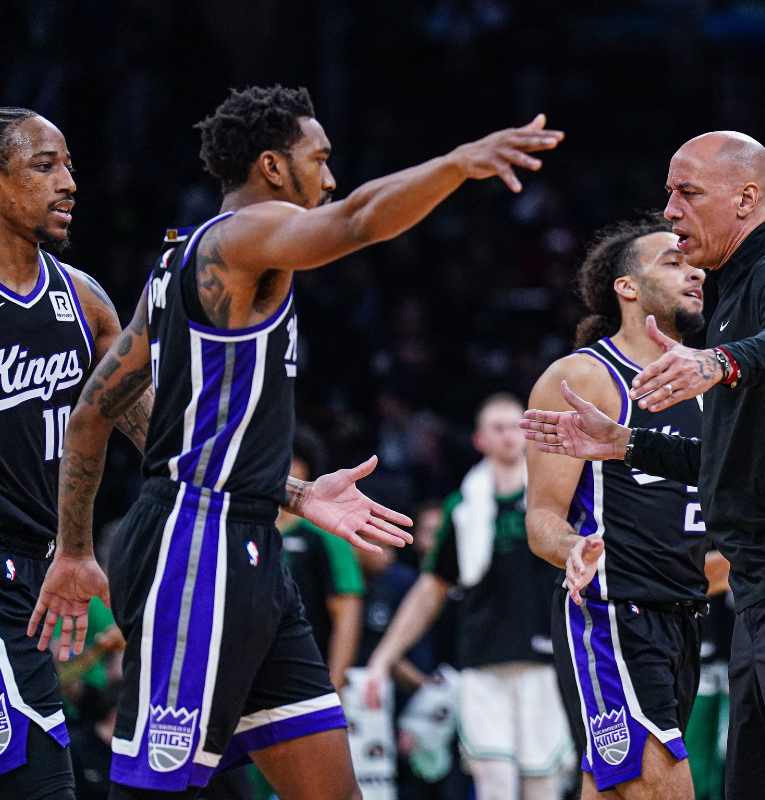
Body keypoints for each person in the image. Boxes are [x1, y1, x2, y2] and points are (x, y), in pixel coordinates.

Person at [30, 84, 562, 800]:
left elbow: (98, 410)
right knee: (155, 786)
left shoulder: (184, 256)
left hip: (246, 538)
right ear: (274, 168)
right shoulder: (244, 235)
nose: (331, 176)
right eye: (321, 157)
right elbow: (359, 220)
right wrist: (457, 164)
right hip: (199, 544)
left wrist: (291, 489)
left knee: (331, 791)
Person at [521, 130, 765, 800]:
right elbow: (739, 461)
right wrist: (625, 444)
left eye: (687, 192)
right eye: (670, 192)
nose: (670, 209)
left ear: (746, 197)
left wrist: (717, 363)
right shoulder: (729, 299)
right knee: (750, 787)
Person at [0, 107, 153, 799]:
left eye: (69, 166)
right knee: (46, 788)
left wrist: (293, 491)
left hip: (39, 577)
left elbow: (163, 439)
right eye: (45, 166)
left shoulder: (84, 300)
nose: (69, 182)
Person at [525, 214, 730, 800]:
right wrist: (574, 549)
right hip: (614, 619)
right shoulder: (584, 378)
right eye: (672, 261)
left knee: (614, 790)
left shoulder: (714, 381)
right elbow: (541, 517)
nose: (693, 270)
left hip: (687, 621)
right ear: (627, 287)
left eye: (694, 263)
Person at [364, 393, 573, 800]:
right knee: (493, 785)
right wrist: (382, 659)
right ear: (480, 439)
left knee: (543, 785)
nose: (509, 436)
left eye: (516, 426)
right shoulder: (463, 507)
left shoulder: (555, 498)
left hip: (546, 664)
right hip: (481, 665)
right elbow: (431, 588)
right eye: (498, 427)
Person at [280, 428, 365, 694]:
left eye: (291, 460)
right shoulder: (241, 527)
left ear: (307, 470)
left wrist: (333, 686)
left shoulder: (326, 536)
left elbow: (347, 611)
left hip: (306, 674)